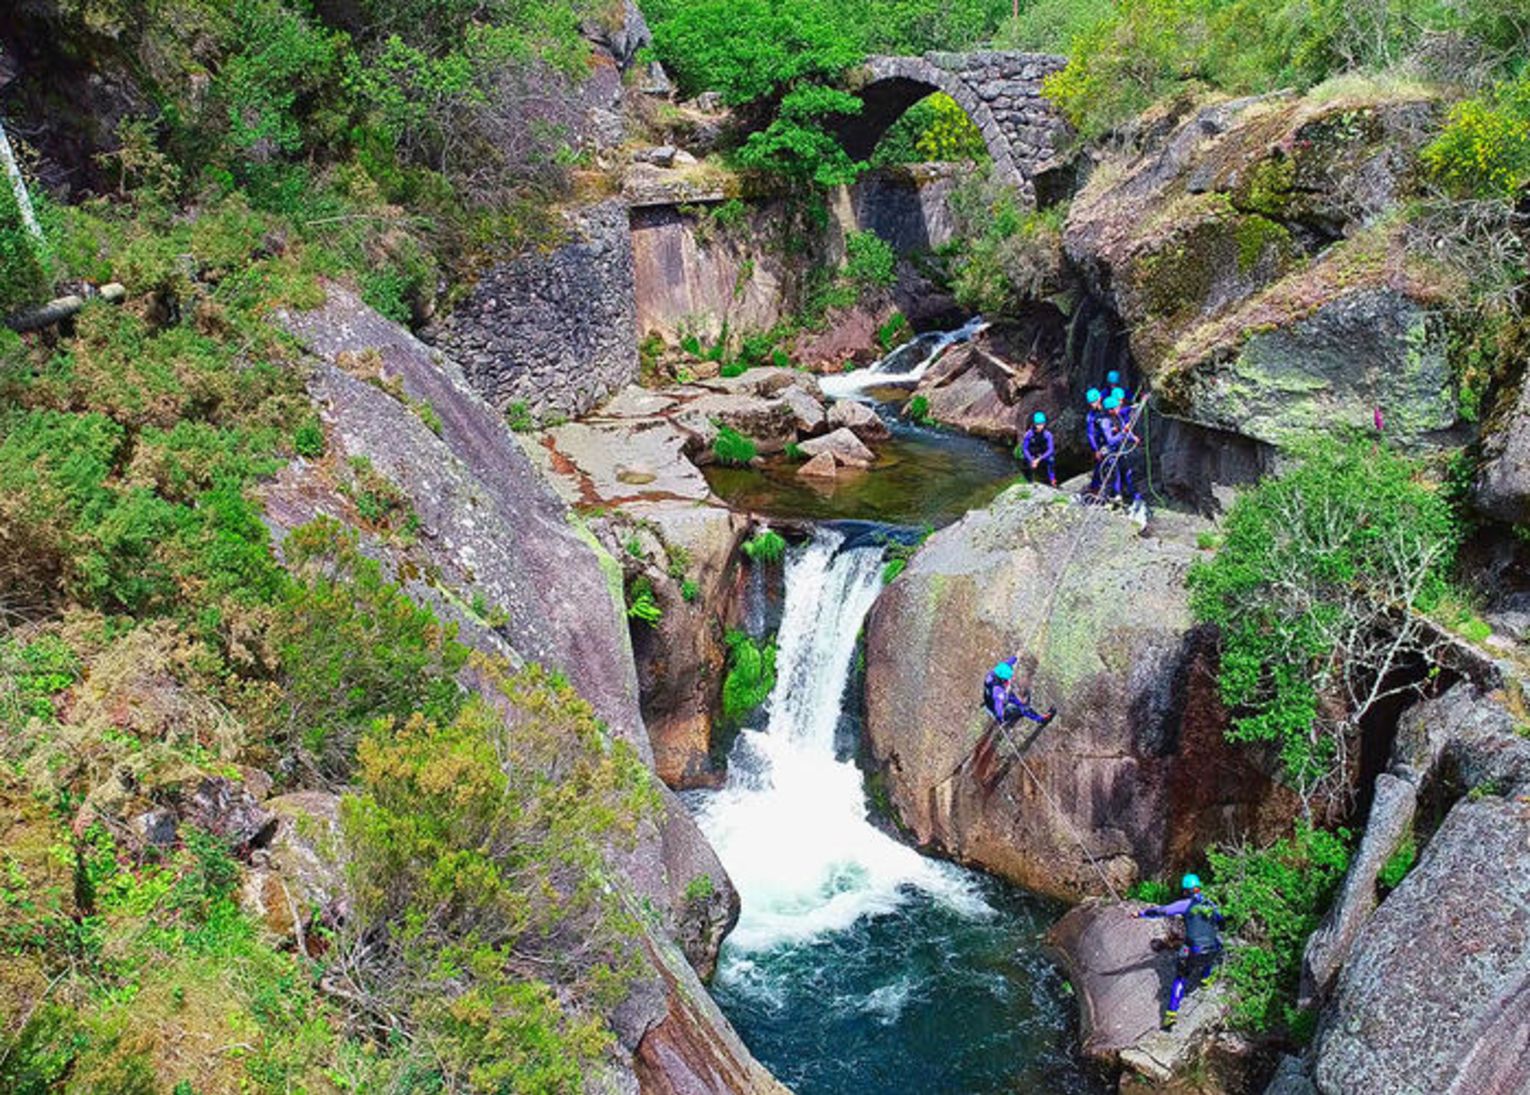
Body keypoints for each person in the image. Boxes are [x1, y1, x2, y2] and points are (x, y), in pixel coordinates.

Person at [1136, 874, 1226, 1030]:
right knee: (1215, 945)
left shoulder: (1185, 905)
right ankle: (1206, 979)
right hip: (1211, 952)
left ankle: (1171, 1014)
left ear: (1186, 891)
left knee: (1180, 978)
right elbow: (1221, 922)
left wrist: (1141, 914)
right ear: (1199, 888)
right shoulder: (1211, 904)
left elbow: (1162, 911)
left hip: (1194, 952)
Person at [982, 657, 1056, 729]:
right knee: (1021, 709)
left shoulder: (997, 671)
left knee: (1011, 696)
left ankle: (1020, 705)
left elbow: (1010, 661)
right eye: (1006, 680)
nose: (1008, 681)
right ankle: (1042, 720)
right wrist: (1001, 719)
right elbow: (999, 707)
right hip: (997, 710)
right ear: (1002, 679)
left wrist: (1016, 658)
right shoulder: (998, 691)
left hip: (991, 700)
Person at [1019, 411, 1056, 486]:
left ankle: (1052, 480)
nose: (1040, 426)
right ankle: (1030, 480)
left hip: (1042, 453)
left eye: (1042, 424)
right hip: (1033, 453)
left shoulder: (1047, 435)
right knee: (1025, 462)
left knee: (1051, 460)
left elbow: (1050, 449)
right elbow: (1025, 449)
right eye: (1038, 424)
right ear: (1034, 424)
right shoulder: (1029, 434)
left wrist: (1039, 459)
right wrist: (1031, 460)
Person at [1084, 388, 1107, 495]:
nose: (1092, 405)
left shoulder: (1107, 406)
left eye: (1094, 402)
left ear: (1099, 399)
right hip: (1101, 443)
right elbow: (1090, 434)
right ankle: (1095, 489)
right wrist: (1096, 449)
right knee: (1099, 465)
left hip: (1111, 438)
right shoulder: (1091, 416)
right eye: (1090, 403)